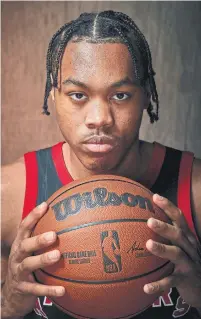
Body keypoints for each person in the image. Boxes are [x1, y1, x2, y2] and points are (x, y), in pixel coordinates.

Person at [1, 10, 201, 319]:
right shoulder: (10, 195)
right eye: (78, 95)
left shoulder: (195, 190)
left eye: (120, 95)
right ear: (54, 95)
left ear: (146, 95)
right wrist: (7, 305)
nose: (99, 119)